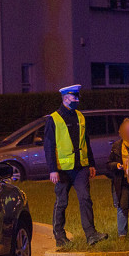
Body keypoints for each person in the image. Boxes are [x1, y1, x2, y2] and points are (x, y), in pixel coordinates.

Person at [44, 85, 108, 247]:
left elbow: (86, 141)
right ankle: (59, 236)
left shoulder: (80, 116)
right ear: (65, 98)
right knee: (62, 202)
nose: (77, 100)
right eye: (74, 97)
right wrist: (52, 169)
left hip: (80, 167)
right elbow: (49, 146)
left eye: (78, 97)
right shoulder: (53, 119)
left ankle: (91, 234)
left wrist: (91, 164)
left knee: (85, 198)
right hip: (62, 170)